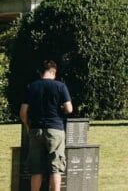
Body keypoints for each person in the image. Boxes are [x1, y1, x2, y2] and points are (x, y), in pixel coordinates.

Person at [19, 60, 73, 191]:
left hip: (36, 129)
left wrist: (27, 126)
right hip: (55, 129)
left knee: (36, 169)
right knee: (56, 167)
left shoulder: (32, 86)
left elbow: (23, 112)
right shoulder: (60, 86)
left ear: (41, 72)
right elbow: (69, 109)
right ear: (53, 71)